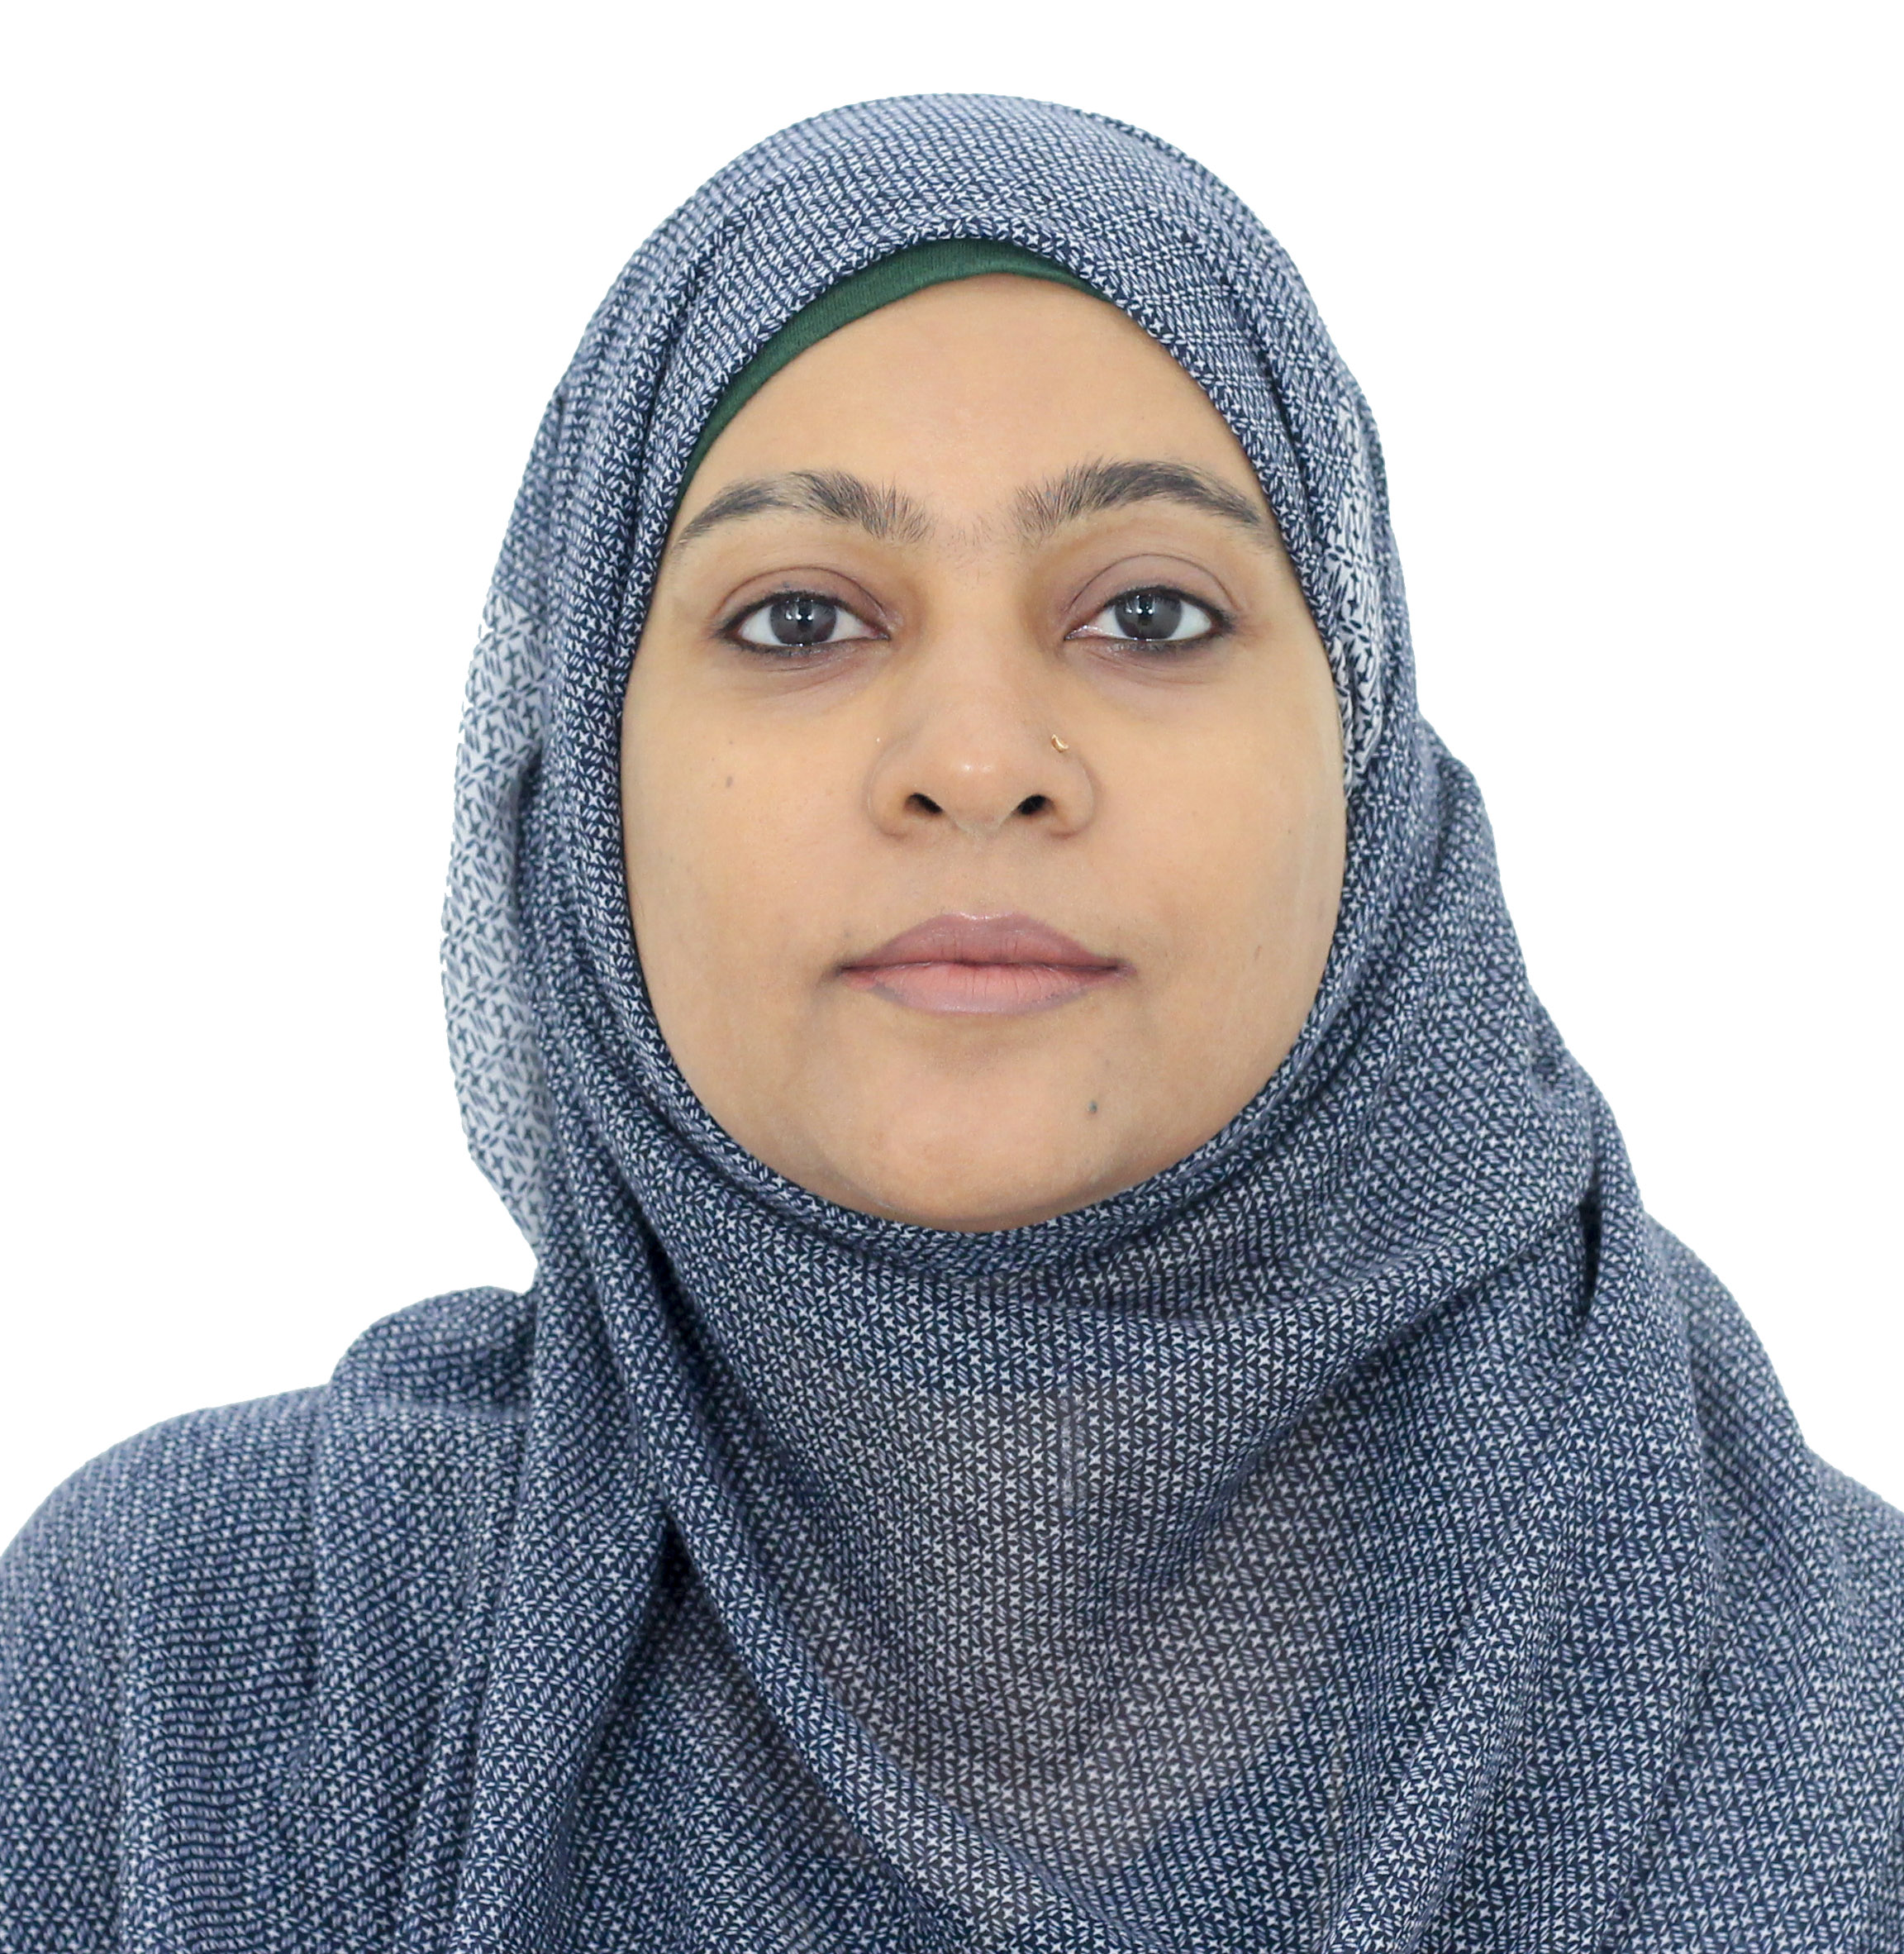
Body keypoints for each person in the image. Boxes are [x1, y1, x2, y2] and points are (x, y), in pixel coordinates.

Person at [2, 93, 1900, 1952]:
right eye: (798, 620)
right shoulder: (179, 1677)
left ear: (1364, 766)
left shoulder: (1848, 1725)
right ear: (589, 787)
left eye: (1149, 614)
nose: (980, 759)